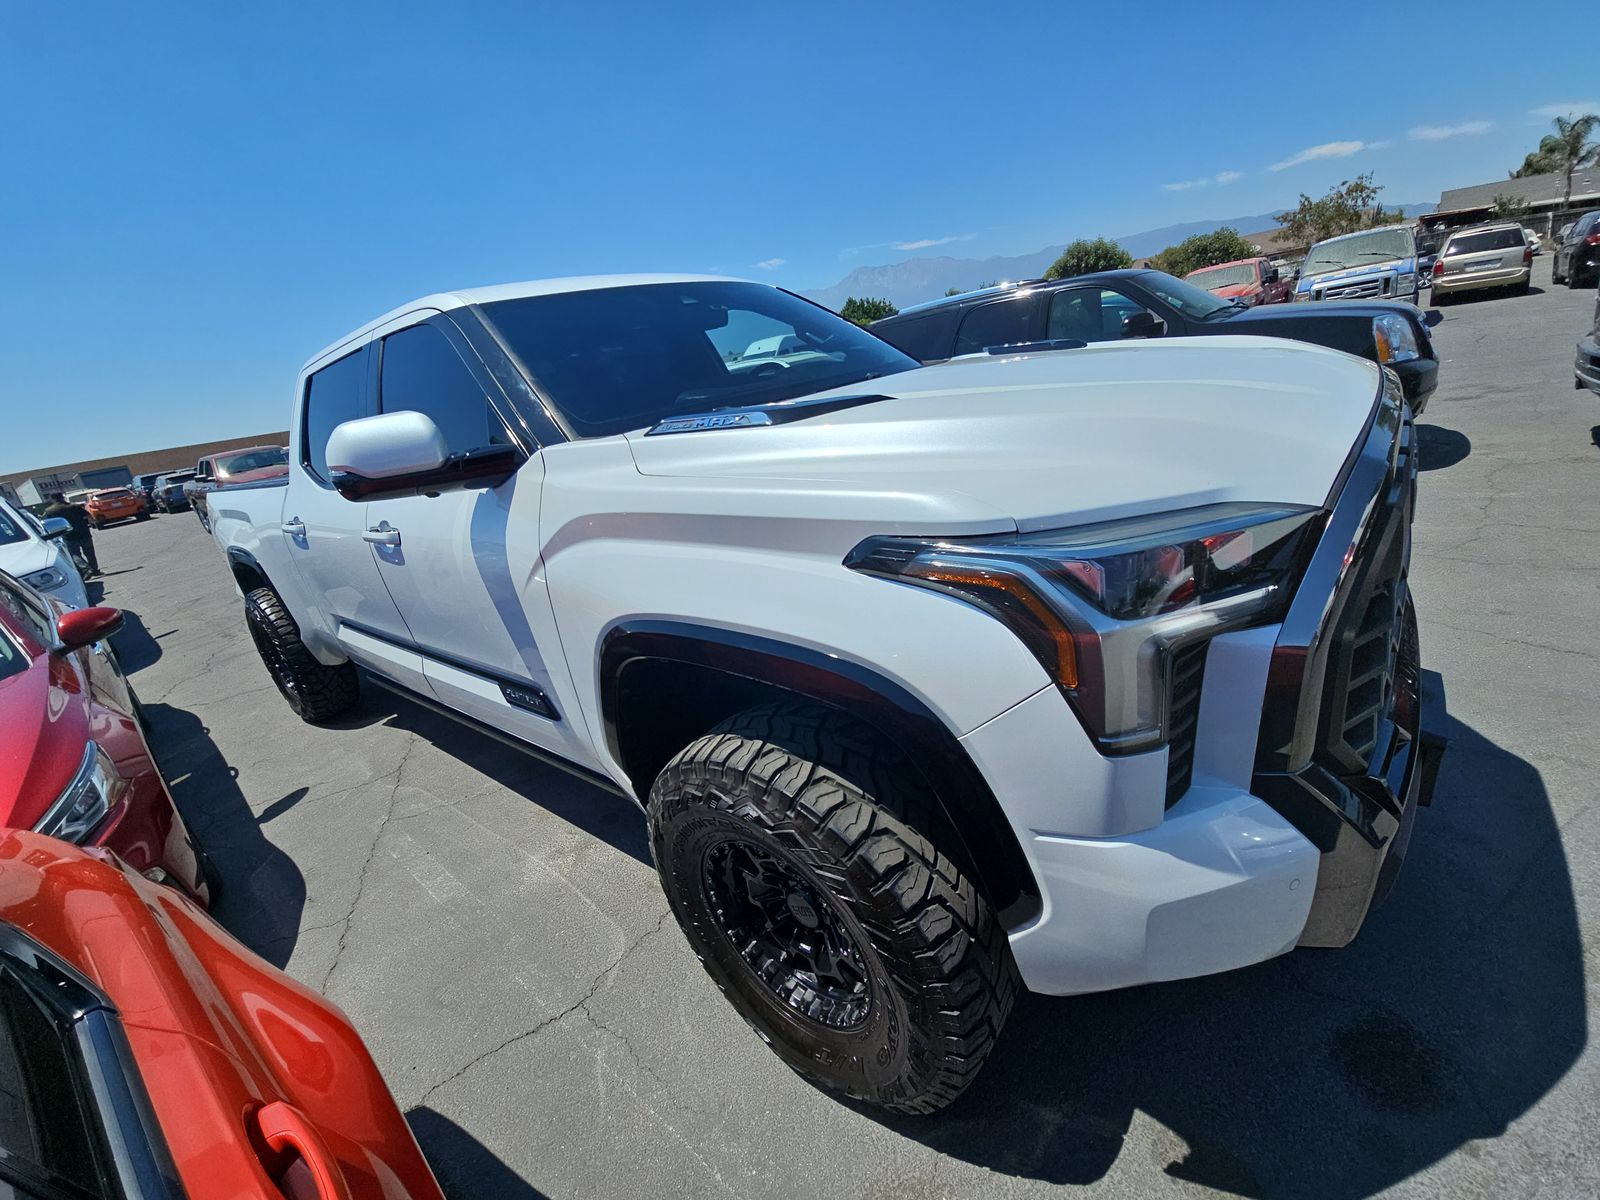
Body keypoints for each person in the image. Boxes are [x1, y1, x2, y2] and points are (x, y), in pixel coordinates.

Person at [41, 492, 98, 577]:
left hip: (68, 535)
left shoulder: (50, 511)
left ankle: (85, 568)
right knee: (90, 553)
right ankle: (94, 570)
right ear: (63, 497)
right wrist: (94, 523)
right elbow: (88, 516)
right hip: (84, 532)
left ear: (52, 499)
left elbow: (45, 523)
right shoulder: (74, 506)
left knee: (74, 554)